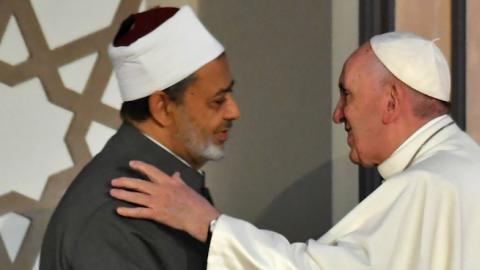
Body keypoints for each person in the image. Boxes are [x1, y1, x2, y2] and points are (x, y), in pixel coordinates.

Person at [110, 31, 480, 269]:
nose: (338, 114)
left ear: (391, 102)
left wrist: (209, 225)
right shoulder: (464, 165)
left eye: (347, 95)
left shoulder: (428, 186)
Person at [40, 5, 240, 270]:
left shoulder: (163, 193)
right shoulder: (118, 215)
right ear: (162, 107)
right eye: (218, 100)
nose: (234, 111)